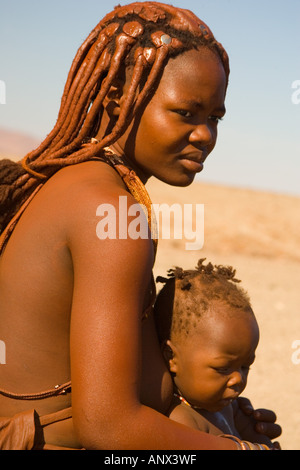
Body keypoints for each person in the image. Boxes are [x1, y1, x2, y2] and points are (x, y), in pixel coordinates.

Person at [0, 2, 281, 450]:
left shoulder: (80, 184)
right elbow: (107, 427)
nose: (206, 134)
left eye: (214, 117)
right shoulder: (110, 212)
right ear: (118, 101)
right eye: (186, 113)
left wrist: (216, 419)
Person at [154, 259, 281, 449]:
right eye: (223, 368)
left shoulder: (231, 408)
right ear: (171, 356)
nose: (238, 378)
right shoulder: (182, 421)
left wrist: (258, 434)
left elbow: (263, 443)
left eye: (245, 366)